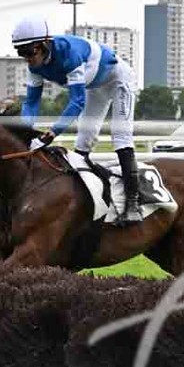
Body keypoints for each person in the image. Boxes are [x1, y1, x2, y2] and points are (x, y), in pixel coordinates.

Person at [12, 16, 142, 223]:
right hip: (94, 86)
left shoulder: (68, 55)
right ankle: (84, 200)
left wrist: (53, 132)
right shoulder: (34, 67)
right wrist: (25, 133)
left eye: (29, 51)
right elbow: (31, 102)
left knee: (120, 136)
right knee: (84, 140)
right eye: (21, 52)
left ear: (44, 44)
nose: (26, 58)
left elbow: (77, 101)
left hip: (119, 80)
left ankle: (134, 204)